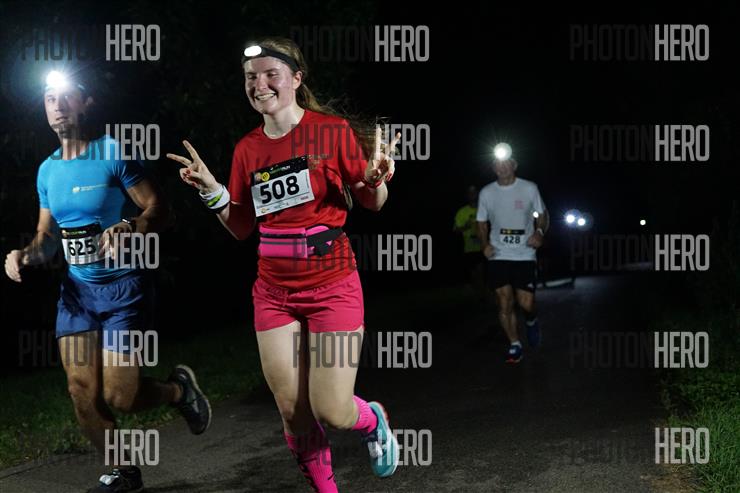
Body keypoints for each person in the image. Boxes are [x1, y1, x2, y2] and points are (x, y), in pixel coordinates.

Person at [167, 37, 400, 492]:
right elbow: (240, 226)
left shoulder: (330, 132)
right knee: (293, 411)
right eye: (250, 77)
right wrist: (211, 191)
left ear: (296, 78)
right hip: (274, 294)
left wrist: (373, 181)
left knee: (332, 410)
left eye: (270, 74)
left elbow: (373, 201)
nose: (259, 85)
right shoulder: (247, 149)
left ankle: (373, 420)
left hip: (333, 286)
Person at [4, 70, 211, 493]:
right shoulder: (46, 171)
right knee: (80, 388)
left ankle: (177, 391)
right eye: (49, 99)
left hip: (123, 290)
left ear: (86, 103)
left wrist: (131, 226)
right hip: (77, 294)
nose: (58, 106)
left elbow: (160, 210)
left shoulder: (113, 151)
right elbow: (47, 237)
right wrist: (25, 254)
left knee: (122, 397)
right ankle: (123, 472)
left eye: (66, 97)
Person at [476, 156, 549, 363]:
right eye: (498, 164)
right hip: (498, 254)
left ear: (515, 165)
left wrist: (539, 232)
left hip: (525, 253)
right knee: (504, 303)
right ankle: (515, 344)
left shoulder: (529, 188)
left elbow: (542, 215)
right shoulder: (487, 192)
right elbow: (481, 223)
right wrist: (484, 245)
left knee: (526, 303)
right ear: (493, 168)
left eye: (507, 163)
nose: (502, 167)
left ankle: (531, 320)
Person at [453, 185, 485, 297]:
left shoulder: (483, 209)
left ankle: (482, 294)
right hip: (469, 247)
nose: (472, 195)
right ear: (467, 196)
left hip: (484, 246)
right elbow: (456, 230)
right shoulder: (462, 212)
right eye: (470, 193)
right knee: (473, 273)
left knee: (481, 271)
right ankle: (477, 294)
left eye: (474, 192)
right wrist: (465, 227)